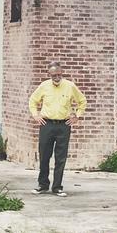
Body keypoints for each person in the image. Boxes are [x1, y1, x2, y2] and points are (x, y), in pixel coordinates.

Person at [28, 61, 87, 197]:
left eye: (59, 74)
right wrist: (36, 115)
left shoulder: (70, 86)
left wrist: (77, 116)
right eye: (54, 75)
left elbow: (82, 101)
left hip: (63, 125)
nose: (57, 77)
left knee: (61, 157)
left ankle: (57, 187)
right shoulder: (44, 86)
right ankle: (42, 185)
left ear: (62, 73)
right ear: (49, 74)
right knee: (44, 155)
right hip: (46, 124)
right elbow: (33, 100)